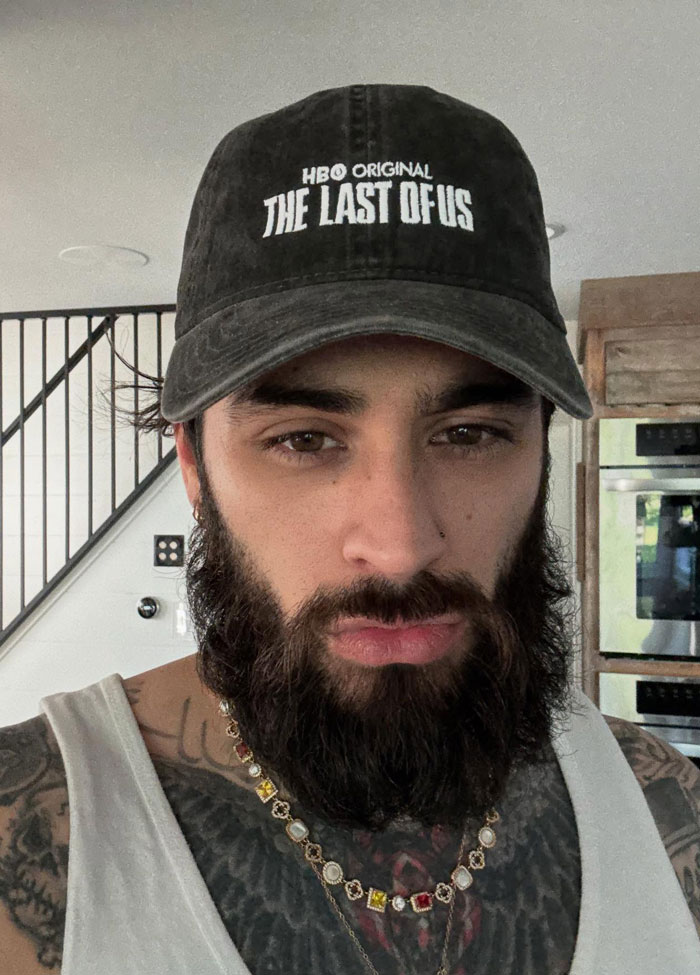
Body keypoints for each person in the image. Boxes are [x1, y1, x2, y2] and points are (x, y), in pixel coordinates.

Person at [1, 84, 699, 975]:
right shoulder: (32, 831)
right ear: (193, 464)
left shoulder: (666, 805)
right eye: (303, 440)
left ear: (538, 446)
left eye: (470, 434)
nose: (401, 543)